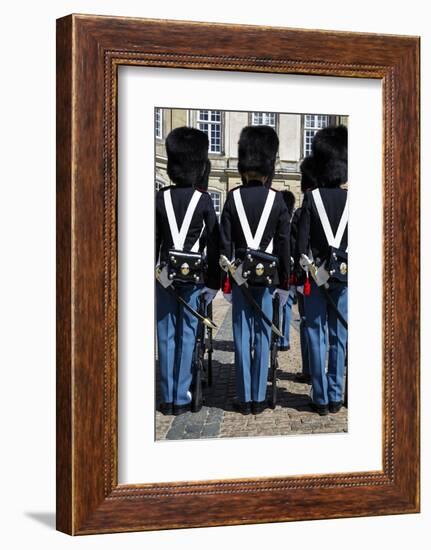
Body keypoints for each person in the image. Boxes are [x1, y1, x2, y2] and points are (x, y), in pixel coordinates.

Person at [220, 125, 291, 415]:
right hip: (268, 281)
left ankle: (244, 395)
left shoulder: (232, 198)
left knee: (241, 337)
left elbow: (223, 243)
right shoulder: (277, 200)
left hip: (239, 279)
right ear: (268, 164)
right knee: (262, 336)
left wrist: (228, 280)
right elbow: (284, 247)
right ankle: (259, 397)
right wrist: (285, 284)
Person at [155, 127, 221, 416]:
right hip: (193, 279)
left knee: (165, 336)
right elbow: (214, 243)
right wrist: (213, 282)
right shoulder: (204, 200)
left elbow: (153, 240)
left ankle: (167, 396)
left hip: (166, 277)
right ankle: (182, 396)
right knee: (186, 336)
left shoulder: (160, 197)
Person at [297, 125, 348, 416]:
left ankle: (319, 397)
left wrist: (312, 269)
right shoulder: (353, 200)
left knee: (316, 335)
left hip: (316, 278)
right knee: (338, 336)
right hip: (344, 278)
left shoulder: (311, 198)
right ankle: (335, 395)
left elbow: (302, 245)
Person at [291, 157, 319, 384]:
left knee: (307, 323)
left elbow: (296, 247)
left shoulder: (302, 212)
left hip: (308, 277)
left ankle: (309, 369)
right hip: (335, 274)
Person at [278, 191, 296, 351]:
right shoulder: (292, 223)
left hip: (278, 267)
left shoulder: (280, 223)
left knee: (276, 304)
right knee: (287, 304)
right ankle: (284, 340)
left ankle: (275, 336)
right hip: (290, 269)